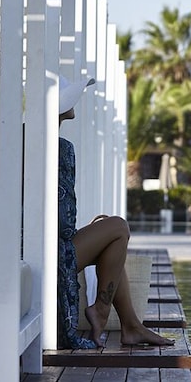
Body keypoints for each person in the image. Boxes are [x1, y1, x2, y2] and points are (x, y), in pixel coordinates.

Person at [58, 74, 174, 349]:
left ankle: (131, 326)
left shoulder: (23, 138)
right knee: (118, 227)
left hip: (29, 247)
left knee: (110, 236)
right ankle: (105, 313)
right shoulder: (60, 148)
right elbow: (63, 221)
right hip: (49, 253)